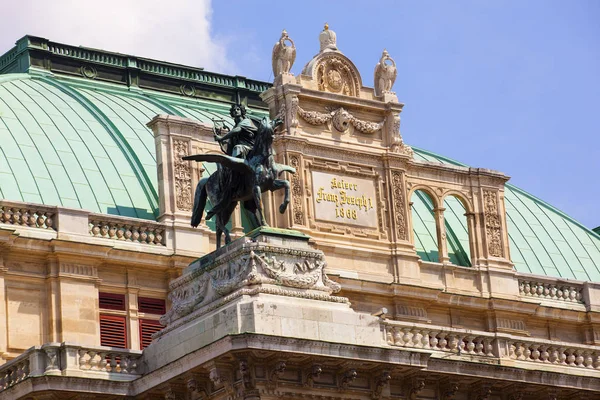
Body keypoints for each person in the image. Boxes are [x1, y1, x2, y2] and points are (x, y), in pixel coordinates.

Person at [205, 104, 258, 221]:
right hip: (245, 152)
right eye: (234, 110)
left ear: (242, 111)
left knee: (237, 148)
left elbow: (237, 131)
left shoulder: (247, 122)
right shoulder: (235, 126)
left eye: (238, 109)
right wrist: (225, 142)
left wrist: (221, 138)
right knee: (235, 149)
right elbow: (229, 146)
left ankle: (234, 169)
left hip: (251, 150)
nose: (236, 111)